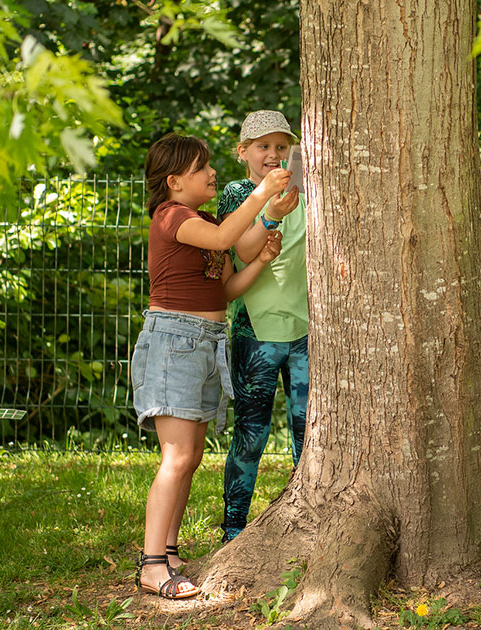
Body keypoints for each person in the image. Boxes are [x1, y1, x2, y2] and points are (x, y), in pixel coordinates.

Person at [132, 132, 291, 599]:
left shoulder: (200, 219)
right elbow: (226, 238)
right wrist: (263, 194)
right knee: (177, 457)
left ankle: (168, 552)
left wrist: (261, 257)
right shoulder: (172, 217)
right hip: (175, 341)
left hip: (205, 341)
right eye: (201, 168)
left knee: (192, 456)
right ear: (175, 181)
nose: (212, 172)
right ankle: (152, 566)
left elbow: (226, 288)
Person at [217, 110, 308, 543]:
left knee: (308, 432)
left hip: (306, 331)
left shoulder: (306, 189)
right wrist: (269, 212)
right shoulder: (237, 194)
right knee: (251, 435)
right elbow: (242, 249)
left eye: (281, 146)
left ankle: (308, 524)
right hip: (255, 332)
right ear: (243, 152)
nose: (273, 154)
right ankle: (234, 529)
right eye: (263, 146)